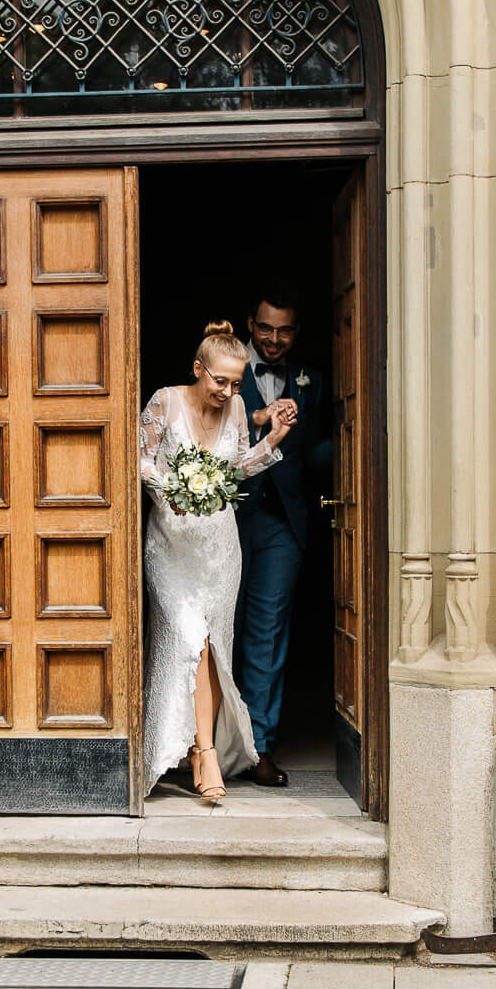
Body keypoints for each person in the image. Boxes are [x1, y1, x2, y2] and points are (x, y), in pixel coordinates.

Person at [139, 322, 297, 802]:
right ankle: (201, 753)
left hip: (220, 549)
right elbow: (139, 460)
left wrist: (272, 441)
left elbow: (233, 470)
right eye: (220, 382)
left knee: (210, 648)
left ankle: (200, 748)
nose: (229, 392)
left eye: (235, 383)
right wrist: (172, 491)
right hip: (171, 545)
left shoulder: (237, 411)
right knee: (188, 638)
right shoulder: (164, 401)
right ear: (197, 369)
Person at [232, 291, 329, 788]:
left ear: (296, 332)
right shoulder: (223, 365)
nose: (273, 339)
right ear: (251, 323)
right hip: (225, 514)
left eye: (284, 331)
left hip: (282, 523)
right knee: (214, 627)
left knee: (267, 633)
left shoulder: (311, 379)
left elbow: (316, 450)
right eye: (266, 328)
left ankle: (259, 747)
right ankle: (205, 747)